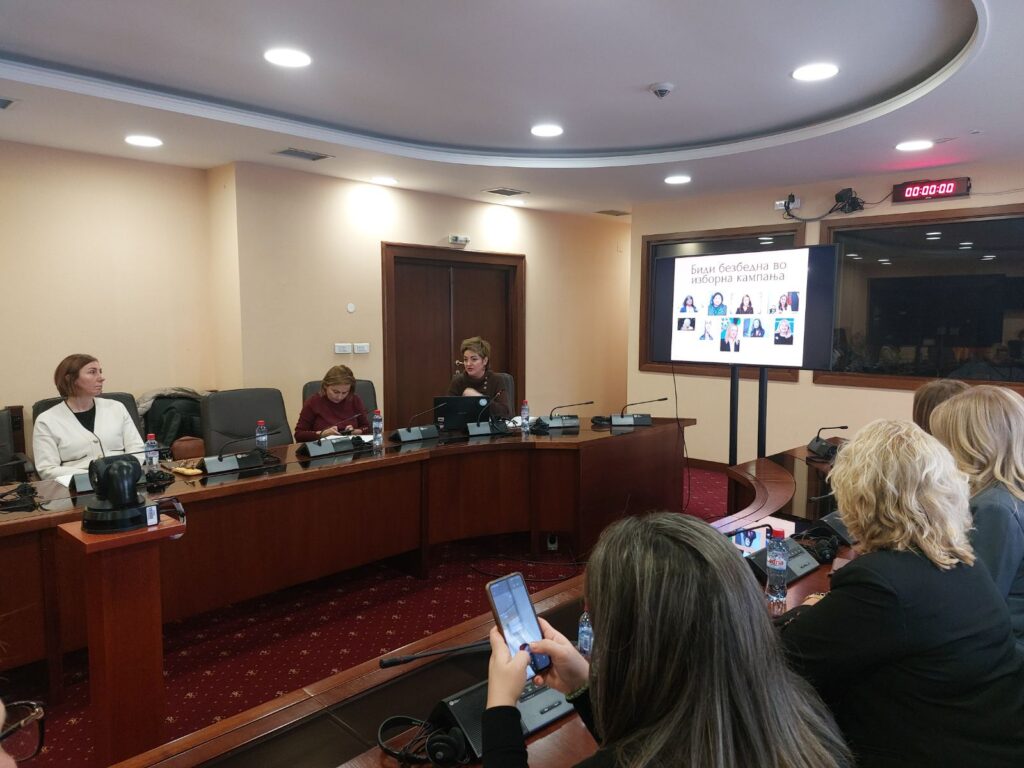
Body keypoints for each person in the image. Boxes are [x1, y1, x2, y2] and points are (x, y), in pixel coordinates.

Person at [483, 513, 852, 768]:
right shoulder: (804, 720)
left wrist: (500, 708)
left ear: (633, 647)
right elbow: (638, 745)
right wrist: (585, 686)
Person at [779, 420, 1024, 768]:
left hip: (926, 748)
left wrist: (799, 611)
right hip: (983, 736)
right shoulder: (959, 560)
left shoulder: (883, 583)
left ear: (856, 496)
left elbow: (786, 659)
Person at [931, 386, 1024, 652]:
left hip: (1002, 652)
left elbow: (974, 605)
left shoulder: (994, 508)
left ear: (970, 446)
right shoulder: (1010, 495)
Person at [32, 354, 145, 482]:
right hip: (77, 488)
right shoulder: (47, 420)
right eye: (92, 372)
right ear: (70, 379)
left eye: (100, 372)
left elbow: (137, 450)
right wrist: (94, 476)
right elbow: (47, 469)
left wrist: (122, 472)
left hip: (125, 480)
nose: (101, 378)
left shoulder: (117, 408)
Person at [294, 365, 370, 441]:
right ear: (326, 386)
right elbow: (299, 435)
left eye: (344, 393)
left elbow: (367, 427)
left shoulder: (354, 400)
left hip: (351, 447)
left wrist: (354, 432)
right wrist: (322, 434)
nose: (339, 397)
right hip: (323, 449)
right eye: (335, 392)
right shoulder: (313, 402)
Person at [447, 336, 511, 419]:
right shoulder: (457, 382)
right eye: (465, 359)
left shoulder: (496, 380)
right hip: (463, 430)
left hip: (490, 430)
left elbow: (505, 412)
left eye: (474, 359)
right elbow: (448, 412)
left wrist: (479, 398)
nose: (468, 364)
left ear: (484, 361)